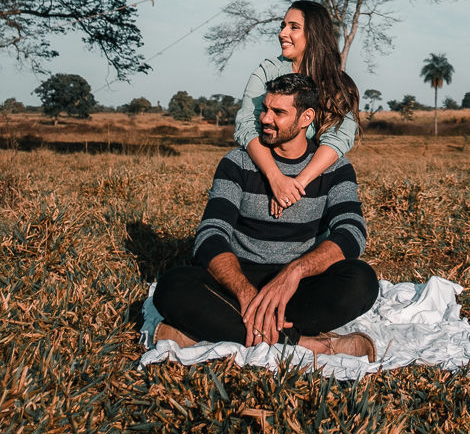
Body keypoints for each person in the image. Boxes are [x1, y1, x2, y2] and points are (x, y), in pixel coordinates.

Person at [152, 73, 379, 357]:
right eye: (265, 109)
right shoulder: (237, 162)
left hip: (297, 288)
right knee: (172, 286)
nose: (265, 119)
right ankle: (307, 344)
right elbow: (211, 234)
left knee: (362, 282)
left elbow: (352, 232)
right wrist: (245, 293)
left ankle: (210, 330)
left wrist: (294, 273)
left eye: (279, 112)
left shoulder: (335, 168)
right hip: (237, 283)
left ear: (306, 117)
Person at [235, 0, 360, 215]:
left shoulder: (337, 84)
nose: (282, 33)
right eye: (283, 26)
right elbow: (246, 125)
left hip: (311, 175)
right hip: (269, 166)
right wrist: (275, 178)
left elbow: (339, 137)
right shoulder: (267, 71)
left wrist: (295, 184)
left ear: (314, 34)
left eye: (293, 27)